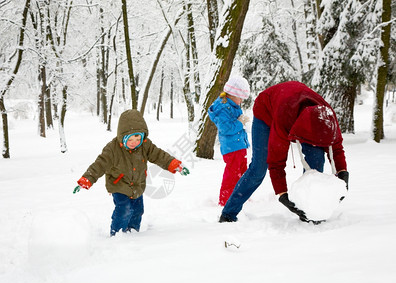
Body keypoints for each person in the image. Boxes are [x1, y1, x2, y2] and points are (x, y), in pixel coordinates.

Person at [219, 81, 349, 223]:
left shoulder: (328, 117)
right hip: (267, 112)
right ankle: (228, 213)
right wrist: (283, 195)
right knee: (258, 169)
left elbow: (336, 147)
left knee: (316, 159)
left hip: (300, 111)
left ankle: (311, 211)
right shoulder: (284, 119)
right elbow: (276, 161)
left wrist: (342, 172)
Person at [74, 109, 189, 236]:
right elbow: (99, 164)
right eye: (130, 139)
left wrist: (174, 164)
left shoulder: (145, 145)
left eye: (138, 138)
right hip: (119, 185)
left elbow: (159, 155)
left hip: (138, 185)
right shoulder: (112, 149)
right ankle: (117, 234)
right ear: (122, 136)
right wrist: (87, 179)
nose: (134, 143)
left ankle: (133, 233)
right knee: (124, 209)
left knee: (138, 211)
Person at [208, 75, 250, 206]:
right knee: (232, 175)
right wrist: (240, 122)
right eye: (240, 98)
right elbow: (226, 128)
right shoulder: (223, 108)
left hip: (239, 144)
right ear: (232, 95)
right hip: (232, 148)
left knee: (243, 173)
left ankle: (242, 197)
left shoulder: (232, 105)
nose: (241, 101)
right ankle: (225, 200)